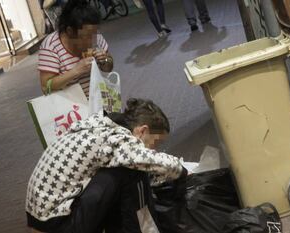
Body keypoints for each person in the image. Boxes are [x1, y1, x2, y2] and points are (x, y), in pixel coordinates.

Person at [26, 98, 187, 233]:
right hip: (59, 222)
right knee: (130, 172)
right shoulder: (118, 139)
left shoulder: (99, 126)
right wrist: (182, 171)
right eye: (156, 142)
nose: (154, 149)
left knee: (121, 169)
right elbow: (153, 162)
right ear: (142, 131)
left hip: (42, 215)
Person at [38, 0, 114, 98]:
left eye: (94, 34)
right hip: (73, 110)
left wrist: (106, 60)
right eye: (85, 37)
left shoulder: (94, 35)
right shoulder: (50, 47)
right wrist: (76, 71)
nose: (91, 41)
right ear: (70, 31)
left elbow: (109, 67)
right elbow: (46, 87)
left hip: (102, 100)